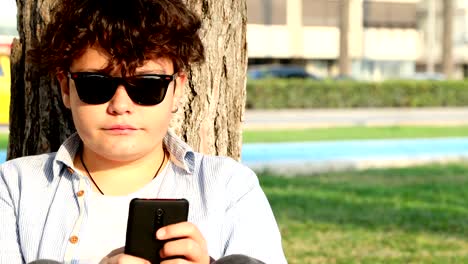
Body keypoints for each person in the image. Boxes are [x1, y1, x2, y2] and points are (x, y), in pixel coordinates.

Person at [0, 0, 287, 263]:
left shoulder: (228, 187)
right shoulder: (16, 187)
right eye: (96, 84)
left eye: (148, 85)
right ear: (65, 87)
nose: (120, 106)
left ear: (177, 90)